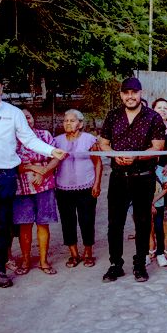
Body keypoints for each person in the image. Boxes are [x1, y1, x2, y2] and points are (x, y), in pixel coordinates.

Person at [0, 69, 66, 292]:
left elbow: (28, 139)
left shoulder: (13, 113)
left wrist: (52, 150)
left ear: (1, 89)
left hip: (6, 177)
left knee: (2, 226)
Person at [98, 77, 166, 283]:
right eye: (126, 93)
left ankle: (140, 265)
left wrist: (136, 156)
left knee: (143, 223)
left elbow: (158, 147)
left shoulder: (153, 117)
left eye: (134, 92)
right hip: (118, 177)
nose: (130, 96)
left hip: (143, 178)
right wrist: (113, 154)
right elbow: (103, 143)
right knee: (114, 223)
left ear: (140, 93)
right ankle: (115, 265)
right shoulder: (112, 116)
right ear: (121, 95)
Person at [11, 108, 62, 276]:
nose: (27, 120)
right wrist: (32, 167)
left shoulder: (44, 135)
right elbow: (8, 162)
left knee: (43, 223)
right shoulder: (12, 139)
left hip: (45, 187)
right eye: (23, 117)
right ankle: (25, 261)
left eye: (29, 117)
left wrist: (45, 171)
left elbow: (57, 156)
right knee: (25, 226)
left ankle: (43, 261)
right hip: (21, 188)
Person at [54, 109, 102, 269]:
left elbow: (98, 163)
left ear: (80, 124)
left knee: (86, 220)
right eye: (66, 121)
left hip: (86, 186)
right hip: (63, 188)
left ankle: (88, 252)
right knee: (68, 221)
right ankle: (74, 254)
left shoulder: (89, 140)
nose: (68, 123)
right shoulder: (57, 141)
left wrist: (97, 184)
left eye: (72, 121)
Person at [150, 98, 167, 267]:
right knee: (146, 218)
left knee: (166, 214)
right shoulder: (147, 126)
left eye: (166, 108)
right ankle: (149, 248)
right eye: (159, 107)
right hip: (148, 175)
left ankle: (164, 246)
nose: (163, 110)